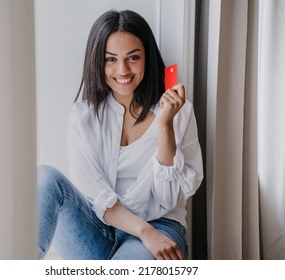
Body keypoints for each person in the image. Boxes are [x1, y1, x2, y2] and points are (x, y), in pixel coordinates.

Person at [37, 9, 203, 260]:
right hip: (98, 228)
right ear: (97, 61)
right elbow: (96, 196)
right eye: (110, 59)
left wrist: (165, 123)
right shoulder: (83, 116)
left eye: (133, 57)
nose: (123, 70)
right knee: (44, 178)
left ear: (147, 57)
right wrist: (144, 231)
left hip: (160, 226)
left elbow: (168, 199)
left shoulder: (178, 112)